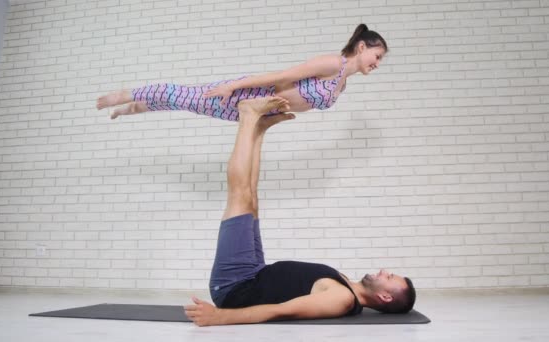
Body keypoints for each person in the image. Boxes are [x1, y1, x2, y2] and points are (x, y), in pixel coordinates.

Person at [183, 96, 416, 327]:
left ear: (385, 297)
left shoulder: (342, 299)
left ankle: (248, 115)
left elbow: (280, 311)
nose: (385, 271)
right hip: (255, 272)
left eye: (389, 277)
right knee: (250, 199)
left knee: (240, 196)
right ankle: (259, 129)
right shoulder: (345, 284)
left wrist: (220, 317)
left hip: (236, 286)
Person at [96, 24, 387, 121]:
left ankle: (135, 107)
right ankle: (125, 96)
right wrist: (232, 87)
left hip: (257, 111)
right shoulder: (333, 64)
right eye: (377, 56)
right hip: (249, 93)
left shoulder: (342, 86)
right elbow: (280, 76)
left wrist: (267, 119)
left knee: (188, 105)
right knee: (184, 95)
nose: (377, 63)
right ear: (361, 47)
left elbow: (301, 105)